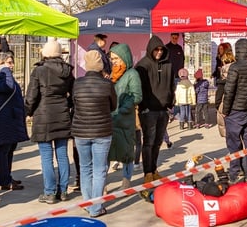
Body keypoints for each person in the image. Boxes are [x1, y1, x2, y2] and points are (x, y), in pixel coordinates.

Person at [26, 40, 74, 204]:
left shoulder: (39, 70)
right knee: (62, 154)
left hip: (43, 115)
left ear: (45, 53)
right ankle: (64, 190)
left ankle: (50, 192)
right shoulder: (67, 71)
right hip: (62, 114)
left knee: (46, 157)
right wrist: (66, 106)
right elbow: (73, 95)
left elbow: (31, 96)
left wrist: (28, 112)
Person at [72, 51, 116, 217]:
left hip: (80, 131)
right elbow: (113, 106)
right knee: (100, 169)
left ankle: (88, 202)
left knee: (85, 168)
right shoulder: (107, 84)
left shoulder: (77, 83)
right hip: (102, 131)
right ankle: (96, 208)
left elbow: (74, 103)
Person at [0, 51, 29, 190]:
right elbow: (7, 87)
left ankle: (8, 176)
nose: (12, 65)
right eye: (9, 62)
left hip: (12, 117)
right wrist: (5, 70)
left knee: (10, 148)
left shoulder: (2, 75)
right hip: (4, 118)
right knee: (4, 149)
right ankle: (4, 180)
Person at [135, 36, 173, 196]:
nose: (158, 52)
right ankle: (147, 173)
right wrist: (142, 107)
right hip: (148, 110)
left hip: (163, 110)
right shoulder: (142, 66)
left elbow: (172, 84)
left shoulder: (168, 64)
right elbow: (139, 88)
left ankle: (154, 169)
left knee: (158, 142)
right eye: (156, 49)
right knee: (148, 143)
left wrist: (171, 103)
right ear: (151, 49)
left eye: (161, 49)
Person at [221, 38, 247, 183]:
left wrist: (225, 110)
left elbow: (229, 91)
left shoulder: (235, 67)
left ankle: (236, 171)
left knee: (234, 143)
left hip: (235, 110)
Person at [107, 43, 142, 190]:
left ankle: (126, 182)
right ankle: (103, 183)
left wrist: (123, 108)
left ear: (124, 58)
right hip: (111, 119)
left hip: (125, 119)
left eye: (116, 58)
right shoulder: (113, 74)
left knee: (127, 152)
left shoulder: (132, 74)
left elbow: (137, 96)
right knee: (108, 152)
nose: (113, 61)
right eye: (112, 59)